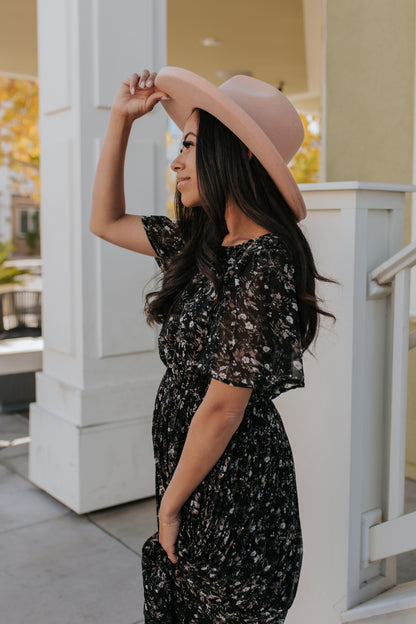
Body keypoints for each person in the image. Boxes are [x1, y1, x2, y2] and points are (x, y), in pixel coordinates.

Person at [90, 67, 334, 623]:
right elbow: (104, 221)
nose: (177, 162)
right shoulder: (199, 242)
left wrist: (170, 509)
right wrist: (119, 122)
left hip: (235, 484)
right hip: (190, 469)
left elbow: (224, 406)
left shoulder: (266, 259)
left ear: (239, 155)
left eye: (191, 146)